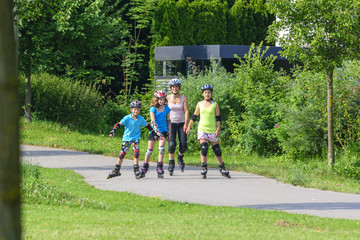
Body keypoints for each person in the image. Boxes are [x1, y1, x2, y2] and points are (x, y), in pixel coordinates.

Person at [186, 84, 231, 179]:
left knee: (217, 150)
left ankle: (222, 167)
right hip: (202, 129)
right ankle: (203, 167)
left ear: (211, 94)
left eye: (209, 93)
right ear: (203, 94)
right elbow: (194, 116)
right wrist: (189, 127)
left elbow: (218, 118)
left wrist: (218, 129)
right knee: (204, 147)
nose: (207, 94)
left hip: (213, 130)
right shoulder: (199, 104)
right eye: (205, 93)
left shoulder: (215, 104)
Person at [107, 100, 160, 179]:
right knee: (122, 154)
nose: (136, 111)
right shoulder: (127, 118)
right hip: (127, 139)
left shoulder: (141, 119)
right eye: (134, 109)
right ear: (131, 109)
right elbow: (119, 124)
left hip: (135, 139)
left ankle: (136, 170)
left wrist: (154, 133)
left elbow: (148, 126)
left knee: (136, 153)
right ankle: (116, 170)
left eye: (138, 109)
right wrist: (113, 130)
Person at [139, 90, 171, 179]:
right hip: (154, 131)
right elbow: (152, 122)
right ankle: (145, 166)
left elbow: (168, 121)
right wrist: (156, 132)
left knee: (161, 149)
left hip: (163, 130)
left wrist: (170, 133)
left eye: (163, 99)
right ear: (156, 100)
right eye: (159, 99)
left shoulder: (167, 108)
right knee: (149, 150)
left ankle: (159, 166)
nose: (161, 101)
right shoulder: (153, 109)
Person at [166, 78, 189, 176]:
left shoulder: (184, 98)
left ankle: (180, 157)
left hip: (181, 123)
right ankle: (171, 163)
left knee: (183, 145)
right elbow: (164, 110)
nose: (175, 88)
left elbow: (186, 111)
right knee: (172, 144)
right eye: (173, 87)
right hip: (171, 124)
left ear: (179, 88)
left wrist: (186, 124)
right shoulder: (167, 98)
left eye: (177, 87)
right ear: (171, 88)